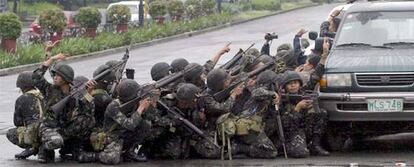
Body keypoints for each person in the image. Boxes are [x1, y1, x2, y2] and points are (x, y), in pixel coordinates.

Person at [32, 54, 96, 163]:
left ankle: (76, 148)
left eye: (58, 75)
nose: (55, 77)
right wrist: (51, 59)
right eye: (54, 75)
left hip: (64, 127)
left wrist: (89, 93)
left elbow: (88, 110)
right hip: (49, 127)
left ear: (65, 79)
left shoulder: (75, 92)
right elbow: (36, 77)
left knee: (88, 120)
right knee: (56, 141)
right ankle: (44, 149)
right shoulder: (49, 89)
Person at [97, 79, 153, 164]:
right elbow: (129, 124)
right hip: (112, 137)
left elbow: (144, 119)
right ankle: (95, 155)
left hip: (124, 134)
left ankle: (130, 152)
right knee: (112, 159)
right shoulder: (113, 106)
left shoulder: (133, 102)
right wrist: (140, 108)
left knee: (146, 124)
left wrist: (146, 107)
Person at [278, 71, 329, 158]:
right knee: (301, 153)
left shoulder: (303, 93)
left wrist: (310, 107)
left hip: (304, 127)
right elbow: (285, 125)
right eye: (289, 84)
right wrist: (297, 108)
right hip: (291, 133)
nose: (293, 85)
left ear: (299, 84)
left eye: (295, 83)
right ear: (284, 87)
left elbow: (314, 79)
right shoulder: (281, 100)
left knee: (322, 113)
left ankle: (315, 144)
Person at [7, 71, 44, 159]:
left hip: (33, 133)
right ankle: (43, 149)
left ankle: (30, 147)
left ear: (22, 86)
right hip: (47, 130)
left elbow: (17, 122)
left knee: (11, 133)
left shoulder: (21, 99)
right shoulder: (42, 95)